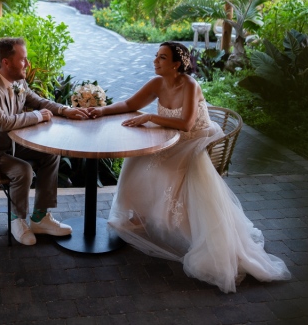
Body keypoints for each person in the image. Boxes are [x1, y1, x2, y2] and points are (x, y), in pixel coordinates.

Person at [85, 41, 291, 293]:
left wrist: (150, 117)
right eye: (156, 56)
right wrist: (101, 110)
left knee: (168, 171)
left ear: (176, 64)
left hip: (196, 138)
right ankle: (140, 216)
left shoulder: (190, 85)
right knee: (136, 159)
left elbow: (185, 123)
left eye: (162, 58)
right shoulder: (157, 82)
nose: (155, 61)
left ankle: (183, 229)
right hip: (168, 134)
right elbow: (129, 104)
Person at [0, 37, 90, 245]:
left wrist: (64, 110)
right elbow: (3, 123)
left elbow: (37, 101)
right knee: (23, 170)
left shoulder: (17, 80)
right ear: (6, 62)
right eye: (23, 59)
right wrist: (38, 116)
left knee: (50, 154)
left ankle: (40, 217)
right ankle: (17, 220)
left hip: (10, 144)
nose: (27, 64)